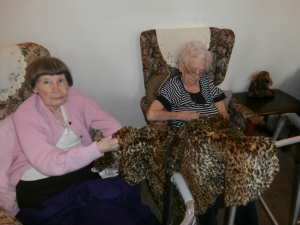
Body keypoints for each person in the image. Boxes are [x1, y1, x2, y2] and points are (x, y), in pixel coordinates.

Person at [7, 57, 160, 225]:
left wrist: (119, 138)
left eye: (61, 80)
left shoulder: (74, 97)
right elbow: (49, 164)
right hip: (41, 184)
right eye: (46, 82)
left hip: (79, 169)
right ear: (34, 87)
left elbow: (106, 121)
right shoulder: (26, 114)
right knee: (91, 214)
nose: (57, 88)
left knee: (115, 208)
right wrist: (97, 149)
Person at [147, 41, 258, 225]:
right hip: (189, 143)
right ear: (181, 66)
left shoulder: (207, 84)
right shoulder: (173, 87)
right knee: (207, 180)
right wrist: (181, 115)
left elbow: (223, 113)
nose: (197, 76)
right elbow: (152, 114)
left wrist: (213, 124)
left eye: (201, 71)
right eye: (193, 71)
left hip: (215, 137)